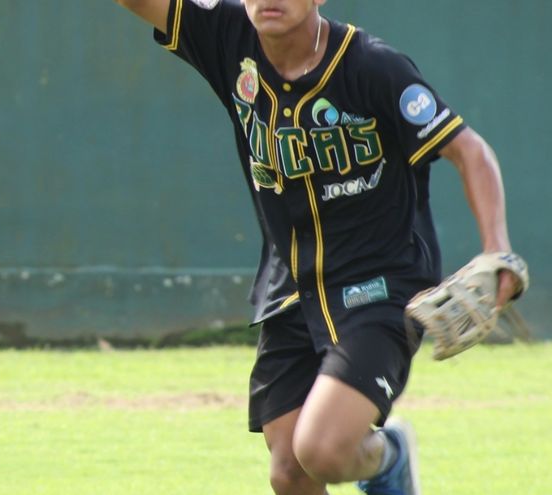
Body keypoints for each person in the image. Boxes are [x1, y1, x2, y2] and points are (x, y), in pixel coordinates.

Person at [113, 1, 520, 493]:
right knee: (288, 471)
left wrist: (496, 250)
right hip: (293, 292)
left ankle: (389, 457)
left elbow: (469, 150)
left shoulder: (372, 66)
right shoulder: (228, 36)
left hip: (379, 287)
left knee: (322, 449)